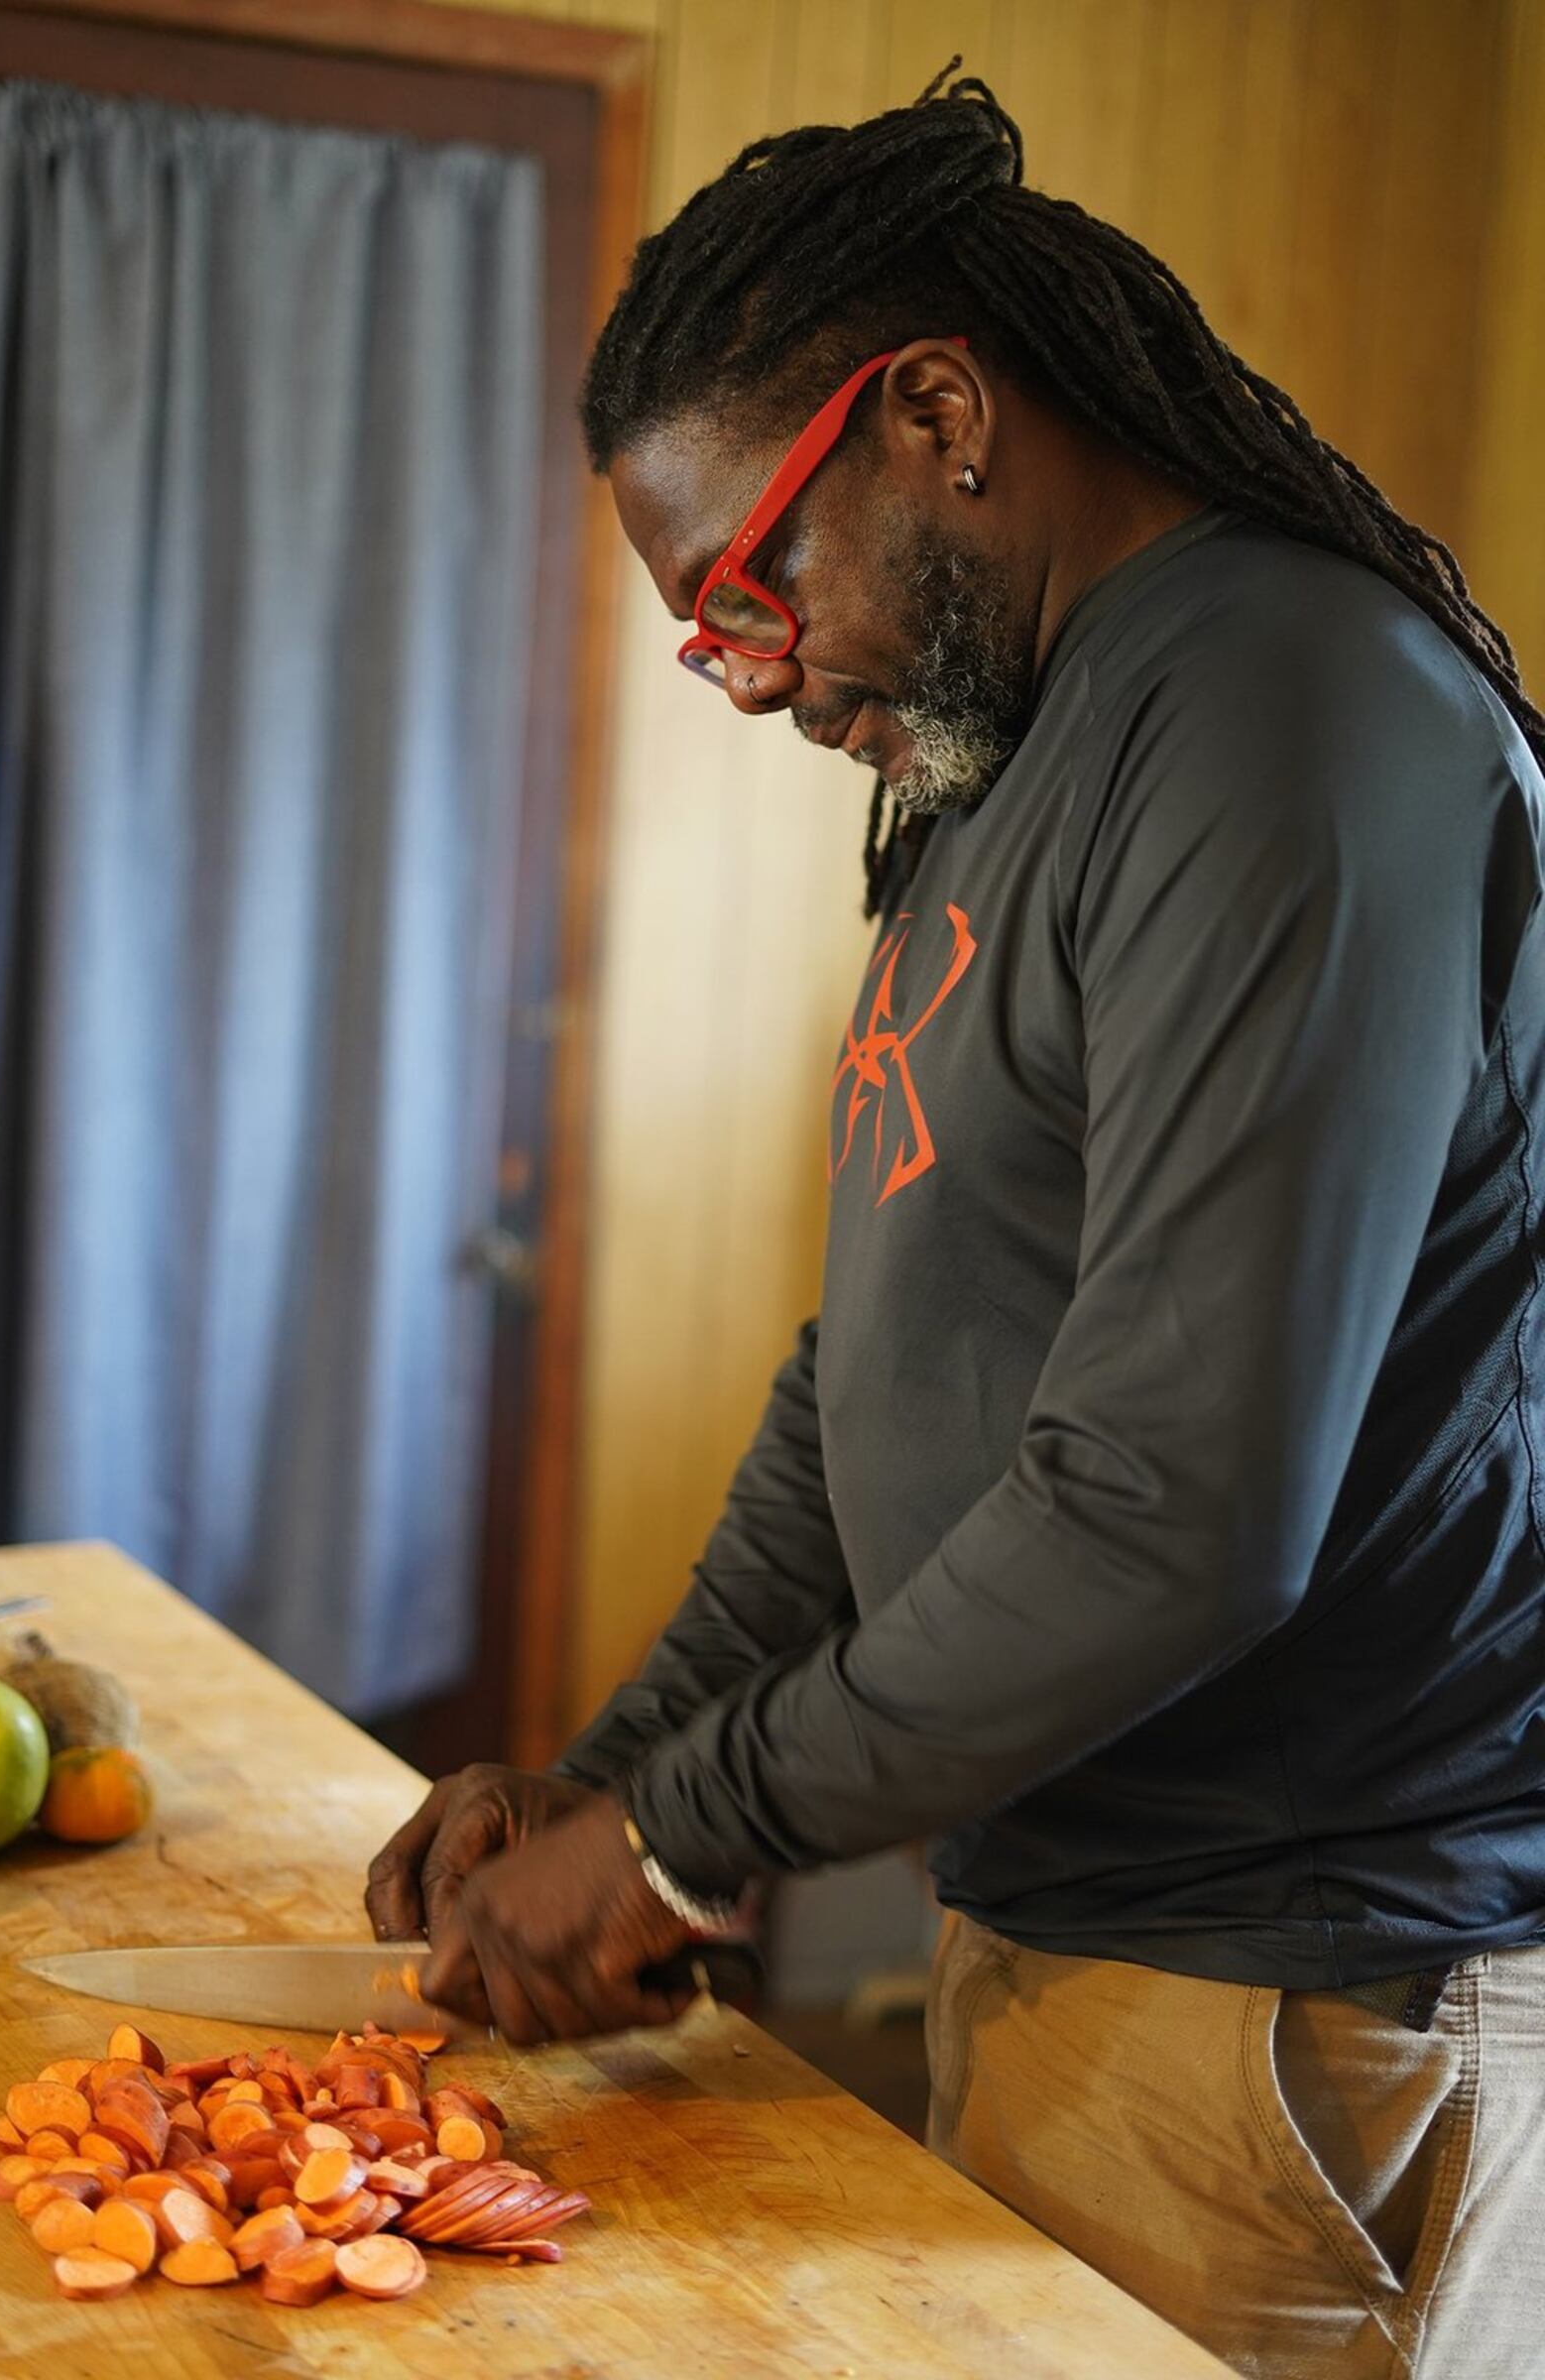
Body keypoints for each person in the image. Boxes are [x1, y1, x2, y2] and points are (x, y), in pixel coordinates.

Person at [366, 70, 1545, 2379]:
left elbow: (1174, 1507)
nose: (750, 673)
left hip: (1289, 1991)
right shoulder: (1001, 764)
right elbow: (880, 1369)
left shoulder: (1281, 717)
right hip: (1076, 1938)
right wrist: (623, 1768)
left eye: (745, 585)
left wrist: (690, 1836)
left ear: (931, 416)